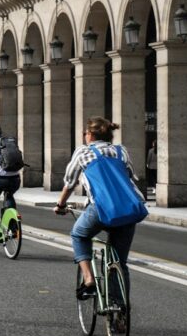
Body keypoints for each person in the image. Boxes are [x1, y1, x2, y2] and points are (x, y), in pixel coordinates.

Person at [54, 117, 143, 323]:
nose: (84, 136)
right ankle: (121, 313)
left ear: (90, 135)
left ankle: (88, 278)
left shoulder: (83, 152)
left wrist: (60, 205)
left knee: (78, 234)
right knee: (120, 263)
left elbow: (70, 181)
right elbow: (129, 176)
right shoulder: (121, 151)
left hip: (101, 209)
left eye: (85, 133)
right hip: (128, 210)